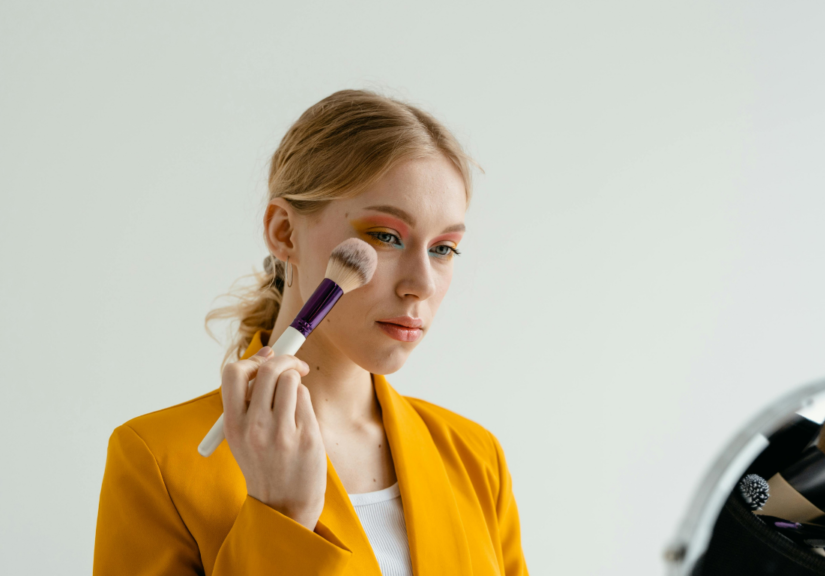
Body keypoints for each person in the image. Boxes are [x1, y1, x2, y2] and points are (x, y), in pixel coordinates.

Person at [93, 89, 529, 575]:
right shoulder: (159, 460)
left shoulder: (473, 457)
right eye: (386, 237)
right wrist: (280, 518)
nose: (421, 285)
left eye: (444, 249)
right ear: (284, 232)